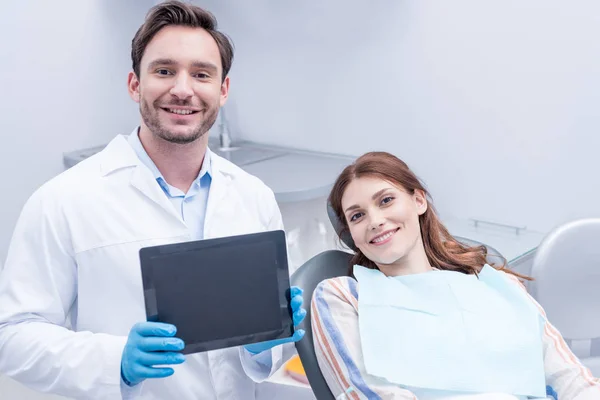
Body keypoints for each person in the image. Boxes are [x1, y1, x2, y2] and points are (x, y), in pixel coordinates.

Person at [0, 2, 306, 399]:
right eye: (164, 71)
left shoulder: (254, 197)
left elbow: (266, 358)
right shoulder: (63, 200)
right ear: (134, 84)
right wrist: (115, 361)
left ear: (223, 90)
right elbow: (12, 335)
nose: (183, 89)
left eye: (201, 74)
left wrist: (265, 342)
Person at [312, 151, 600, 399]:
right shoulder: (343, 296)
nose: (375, 221)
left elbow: (570, 379)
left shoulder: (500, 285)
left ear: (419, 201)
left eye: (386, 200)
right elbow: (366, 393)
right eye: (357, 216)